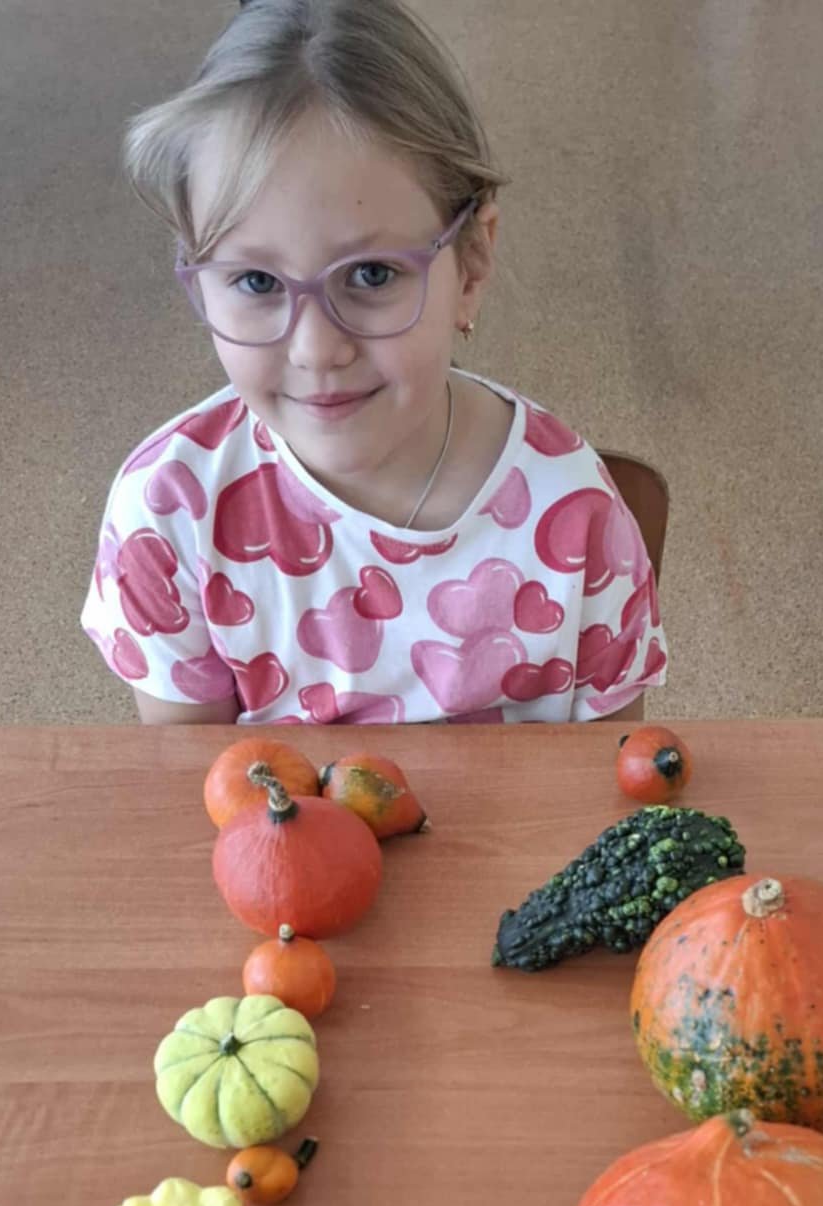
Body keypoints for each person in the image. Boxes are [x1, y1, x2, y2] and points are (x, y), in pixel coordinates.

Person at [82, 0, 667, 727]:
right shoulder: (168, 515)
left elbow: (615, 776)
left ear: (472, 263)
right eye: (256, 281)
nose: (316, 350)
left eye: (371, 274)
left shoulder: (576, 518)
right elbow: (192, 783)